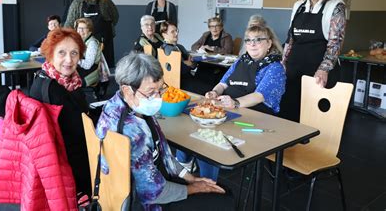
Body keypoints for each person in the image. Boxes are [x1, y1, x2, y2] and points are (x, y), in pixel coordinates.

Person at [96, 53, 232, 210]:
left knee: (216, 190)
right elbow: (153, 193)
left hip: (148, 180)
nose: (158, 97)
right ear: (127, 90)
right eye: (151, 91)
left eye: (160, 90)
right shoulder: (132, 131)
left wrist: (190, 178)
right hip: (145, 202)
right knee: (224, 198)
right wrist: (197, 188)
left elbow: (162, 151)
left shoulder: (121, 104)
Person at [178, 25, 286, 180]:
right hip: (231, 111)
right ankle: (184, 164)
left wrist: (235, 103)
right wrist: (214, 92)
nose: (252, 44)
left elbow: (259, 96)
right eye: (248, 40)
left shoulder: (275, 67)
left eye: (258, 40)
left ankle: (208, 182)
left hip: (257, 118)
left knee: (208, 136)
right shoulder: (241, 60)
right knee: (192, 123)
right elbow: (223, 83)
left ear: (269, 43)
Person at [29, 27, 92, 198]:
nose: (69, 60)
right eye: (62, 53)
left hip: (63, 153)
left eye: (74, 53)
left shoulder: (47, 76)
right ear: (50, 55)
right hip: (67, 163)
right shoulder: (54, 89)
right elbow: (79, 129)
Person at [280, 0, 346, 123]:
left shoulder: (336, 6)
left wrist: (324, 69)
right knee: (289, 112)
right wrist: (283, 62)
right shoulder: (299, 6)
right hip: (294, 69)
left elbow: (335, 43)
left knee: (314, 118)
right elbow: (291, 38)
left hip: (318, 71)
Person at [64, 0, 119, 67]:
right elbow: (70, 21)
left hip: (104, 40)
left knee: (105, 67)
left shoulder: (107, 2)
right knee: (87, 64)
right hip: (85, 40)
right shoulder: (78, 2)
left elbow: (115, 17)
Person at [75, 18, 102, 87]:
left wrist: (74, 59)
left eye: (84, 28)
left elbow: (87, 65)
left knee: (65, 79)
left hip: (90, 72)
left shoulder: (92, 43)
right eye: (79, 28)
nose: (80, 31)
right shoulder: (80, 40)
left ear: (89, 29)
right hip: (81, 68)